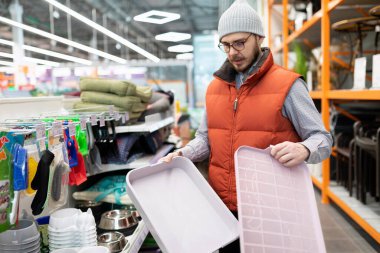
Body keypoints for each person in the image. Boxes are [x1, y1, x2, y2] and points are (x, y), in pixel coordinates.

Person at [161, 0, 332, 252]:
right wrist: (183, 154)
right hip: (222, 207)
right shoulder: (214, 88)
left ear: (259, 38)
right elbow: (206, 140)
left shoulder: (288, 85)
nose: (232, 52)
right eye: (226, 45)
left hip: (270, 211)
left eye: (240, 42)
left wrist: (305, 149)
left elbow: (322, 138)